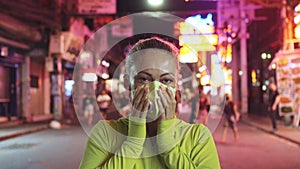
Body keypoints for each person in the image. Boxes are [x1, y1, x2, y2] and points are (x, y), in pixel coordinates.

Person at [80, 37, 220, 169]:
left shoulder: (197, 137)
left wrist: (168, 145)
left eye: (166, 81)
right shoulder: (106, 133)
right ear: (128, 83)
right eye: (144, 79)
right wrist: (133, 143)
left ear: (176, 85)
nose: (155, 88)